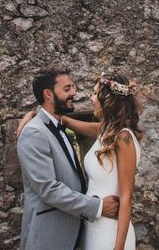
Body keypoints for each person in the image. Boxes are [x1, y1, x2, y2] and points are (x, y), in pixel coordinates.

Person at [18, 71, 142, 250]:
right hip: (75, 230)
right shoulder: (37, 131)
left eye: (94, 93)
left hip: (108, 230)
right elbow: (47, 188)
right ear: (49, 95)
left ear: (107, 100)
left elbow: (126, 197)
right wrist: (31, 120)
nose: (77, 94)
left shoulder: (120, 136)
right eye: (67, 88)